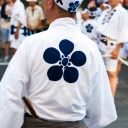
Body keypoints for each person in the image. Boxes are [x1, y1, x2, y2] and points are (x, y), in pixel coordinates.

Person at [0, 0, 117, 128]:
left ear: (50, 3)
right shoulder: (91, 47)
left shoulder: (32, 43)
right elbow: (100, 105)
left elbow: (9, 93)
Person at [97, 0, 128, 96]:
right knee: (101, 72)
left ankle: (110, 100)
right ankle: (101, 97)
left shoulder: (123, 12)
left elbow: (124, 31)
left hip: (112, 46)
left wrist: (117, 49)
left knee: (111, 73)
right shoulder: (106, 11)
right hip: (99, 44)